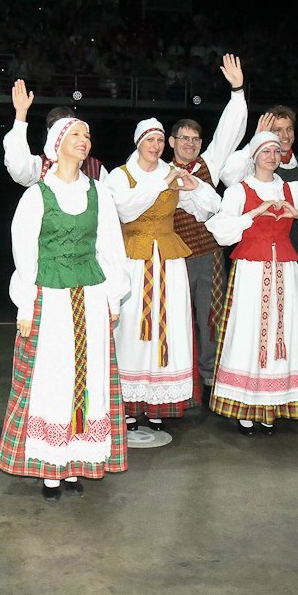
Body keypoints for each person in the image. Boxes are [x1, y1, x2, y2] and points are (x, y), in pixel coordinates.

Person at [0, 117, 129, 501]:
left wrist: (113, 296)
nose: (84, 141)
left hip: (89, 294)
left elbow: (110, 247)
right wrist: (25, 303)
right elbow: (25, 253)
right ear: (56, 143)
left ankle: (79, 460)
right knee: (54, 375)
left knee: (88, 375)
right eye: (75, 135)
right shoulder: (38, 195)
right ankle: (51, 467)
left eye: (87, 135)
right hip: (51, 298)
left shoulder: (100, 193)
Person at [206, 131, 298, 435]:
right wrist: (254, 214)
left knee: (283, 331)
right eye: (266, 151)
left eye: (277, 151)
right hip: (250, 270)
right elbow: (221, 231)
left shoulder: (294, 189)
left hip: (285, 270)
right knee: (249, 331)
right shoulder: (239, 190)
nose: (272, 156)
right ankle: (245, 406)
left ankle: (272, 406)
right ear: (255, 155)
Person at [107, 117, 221, 431]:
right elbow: (125, 210)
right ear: (138, 143)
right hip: (134, 258)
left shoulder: (171, 175)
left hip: (169, 261)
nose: (155, 146)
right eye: (150, 140)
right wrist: (163, 183)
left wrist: (194, 184)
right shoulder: (121, 175)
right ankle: (129, 403)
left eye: (159, 140)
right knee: (132, 327)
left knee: (167, 326)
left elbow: (210, 208)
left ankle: (158, 401)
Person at [167, 52, 248, 399]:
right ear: (172, 142)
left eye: (195, 139)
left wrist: (238, 90)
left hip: (209, 256)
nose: (190, 143)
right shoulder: (157, 169)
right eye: (184, 138)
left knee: (211, 318)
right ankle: (174, 382)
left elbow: (230, 130)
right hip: (172, 257)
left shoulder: (208, 165)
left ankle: (212, 381)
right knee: (173, 321)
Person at [220, 105, 298, 292]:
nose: (285, 136)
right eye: (277, 130)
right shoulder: (253, 167)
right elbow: (228, 175)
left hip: (297, 252)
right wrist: (256, 139)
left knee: (295, 310)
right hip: (257, 256)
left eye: (289, 129)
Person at [2, 80, 108, 185]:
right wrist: (21, 114)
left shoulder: (96, 169)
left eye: (86, 136)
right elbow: (19, 169)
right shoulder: (40, 166)